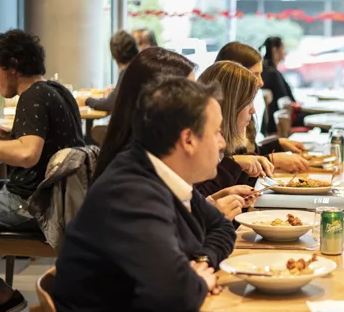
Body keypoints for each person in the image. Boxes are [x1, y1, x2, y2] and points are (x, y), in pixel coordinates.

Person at [52, 77, 236, 312]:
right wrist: (193, 280)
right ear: (188, 140)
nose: (223, 142)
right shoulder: (132, 191)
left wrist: (201, 263)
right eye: (217, 132)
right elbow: (177, 293)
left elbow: (223, 227)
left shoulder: (162, 175)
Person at [0, 29, 85, 312]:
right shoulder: (55, 91)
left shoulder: (32, 97)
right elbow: (44, 144)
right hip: (54, 196)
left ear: (11, 66)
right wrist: (10, 135)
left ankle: (0, 297)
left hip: (33, 203)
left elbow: (28, 154)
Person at [92, 47, 245, 219]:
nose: (198, 102)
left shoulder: (155, 156)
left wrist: (211, 203)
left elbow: (182, 214)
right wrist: (213, 218)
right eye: (189, 92)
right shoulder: (136, 175)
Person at [215, 41, 310, 173]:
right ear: (235, 75)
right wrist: (272, 159)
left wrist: (277, 144)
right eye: (255, 75)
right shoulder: (219, 113)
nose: (261, 82)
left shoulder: (241, 107)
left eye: (261, 74)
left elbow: (247, 154)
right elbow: (230, 168)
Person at [194, 61, 275, 207]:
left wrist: (246, 166)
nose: (253, 110)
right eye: (248, 102)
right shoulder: (197, 145)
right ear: (231, 106)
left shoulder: (230, 140)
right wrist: (233, 164)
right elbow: (197, 201)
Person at [85, 30, 140, 112]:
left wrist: (87, 100)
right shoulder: (139, 67)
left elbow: (109, 104)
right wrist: (113, 94)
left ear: (115, 55)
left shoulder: (128, 72)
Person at [258, 36, 298, 135]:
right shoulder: (273, 73)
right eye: (283, 48)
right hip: (280, 121)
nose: (285, 52)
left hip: (275, 120)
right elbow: (285, 101)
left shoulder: (267, 70)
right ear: (275, 50)